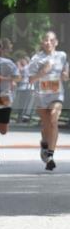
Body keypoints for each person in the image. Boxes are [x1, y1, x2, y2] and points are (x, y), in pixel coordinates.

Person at [26, 31, 68, 171]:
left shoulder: (62, 56)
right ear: (42, 43)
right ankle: (44, 143)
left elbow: (66, 75)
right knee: (46, 126)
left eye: (51, 40)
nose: (48, 42)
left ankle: (50, 156)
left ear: (56, 42)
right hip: (41, 96)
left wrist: (66, 75)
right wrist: (43, 72)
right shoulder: (36, 58)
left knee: (53, 120)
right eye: (46, 40)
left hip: (57, 95)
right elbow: (30, 79)